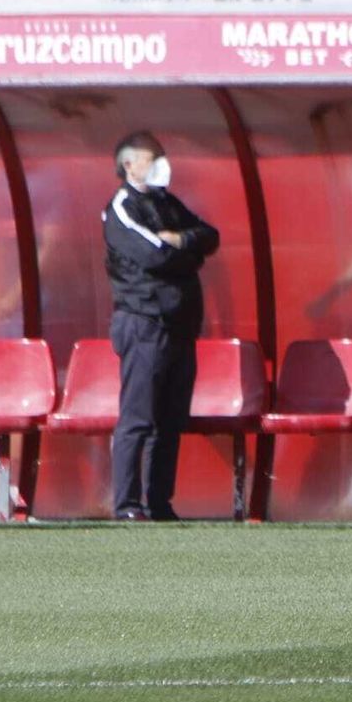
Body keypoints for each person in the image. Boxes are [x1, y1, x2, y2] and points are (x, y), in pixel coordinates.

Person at [103, 131, 219, 521]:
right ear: (129, 164)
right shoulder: (122, 207)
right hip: (144, 323)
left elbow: (209, 236)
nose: (161, 167)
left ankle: (158, 502)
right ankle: (127, 505)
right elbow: (152, 256)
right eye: (153, 160)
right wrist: (186, 253)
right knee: (138, 417)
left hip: (180, 326)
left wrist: (181, 241)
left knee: (170, 419)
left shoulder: (167, 203)